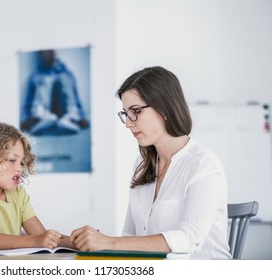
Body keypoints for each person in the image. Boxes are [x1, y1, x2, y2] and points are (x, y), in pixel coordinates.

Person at [70, 66, 231, 259]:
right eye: (126, 114)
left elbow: (189, 239)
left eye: (135, 111)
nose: (129, 123)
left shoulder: (204, 165)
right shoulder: (142, 165)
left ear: (164, 109)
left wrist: (109, 242)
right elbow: (130, 236)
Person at [0, 120, 73, 250]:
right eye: (12, 160)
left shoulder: (19, 194)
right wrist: (35, 241)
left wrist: (76, 242)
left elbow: (42, 236)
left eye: (21, 162)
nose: (20, 168)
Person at [20, 49, 89, 136]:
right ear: (40, 53)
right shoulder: (37, 74)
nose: (52, 52)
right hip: (45, 114)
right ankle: (40, 118)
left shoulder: (67, 73)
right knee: (45, 80)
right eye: (48, 50)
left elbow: (75, 97)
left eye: (54, 50)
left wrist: (82, 116)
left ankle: (71, 118)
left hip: (63, 113)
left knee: (64, 79)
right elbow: (29, 99)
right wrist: (25, 118)